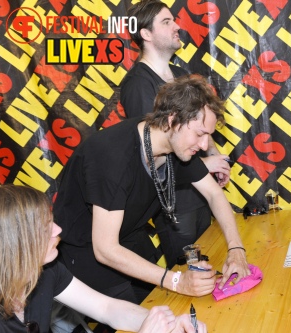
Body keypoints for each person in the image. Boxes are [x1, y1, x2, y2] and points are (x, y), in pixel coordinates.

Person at [53, 75, 250, 307]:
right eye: (200, 134)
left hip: (130, 238)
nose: (206, 146)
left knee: (169, 307)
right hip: (87, 251)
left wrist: (236, 249)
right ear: (172, 120)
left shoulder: (173, 143)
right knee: (139, 319)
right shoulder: (113, 158)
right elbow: (105, 249)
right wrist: (177, 281)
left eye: (209, 135)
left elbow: (214, 194)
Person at [0, 184, 206, 333]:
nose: (58, 230)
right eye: (45, 228)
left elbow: (106, 308)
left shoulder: (47, 271)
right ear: (16, 242)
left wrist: (168, 324)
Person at [119, 0, 231, 269]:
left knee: (212, 263)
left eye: (174, 20)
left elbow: (201, 123)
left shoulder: (180, 74)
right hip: (174, 202)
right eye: (166, 22)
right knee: (188, 271)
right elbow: (150, 153)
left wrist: (216, 158)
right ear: (145, 34)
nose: (177, 26)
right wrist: (205, 165)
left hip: (200, 192)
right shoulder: (138, 85)